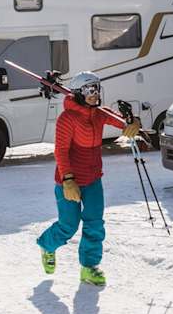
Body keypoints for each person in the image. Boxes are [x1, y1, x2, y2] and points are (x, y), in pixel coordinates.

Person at [36, 71, 139, 287]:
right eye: (90, 90)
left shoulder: (99, 113)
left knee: (95, 224)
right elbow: (61, 151)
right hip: (69, 180)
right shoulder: (67, 118)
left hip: (93, 179)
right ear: (80, 93)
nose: (95, 94)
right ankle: (47, 245)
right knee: (68, 226)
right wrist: (68, 180)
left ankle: (89, 267)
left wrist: (133, 123)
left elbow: (120, 122)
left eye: (97, 89)